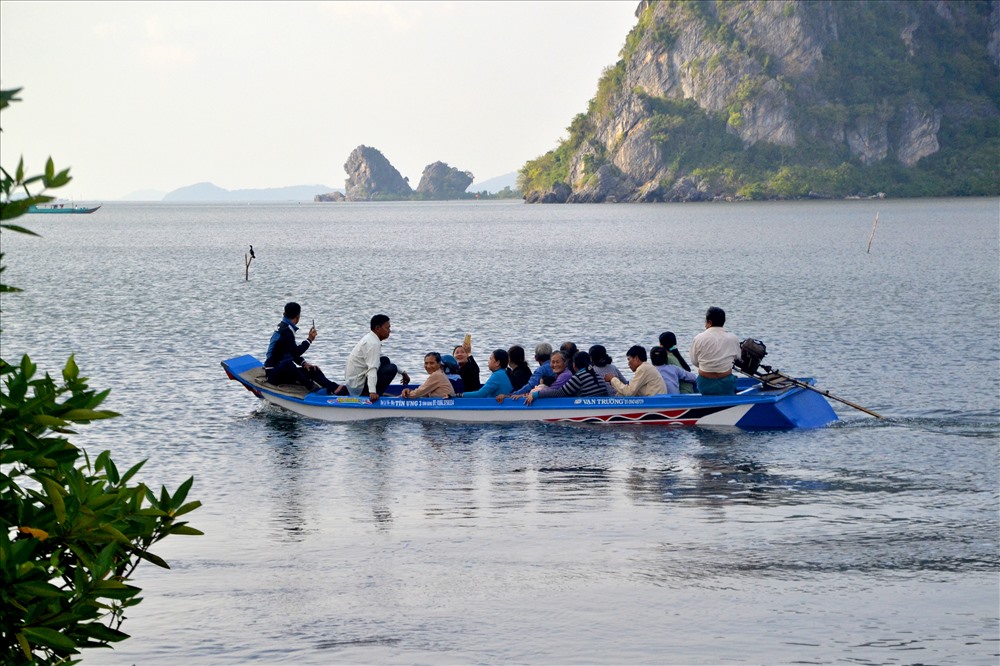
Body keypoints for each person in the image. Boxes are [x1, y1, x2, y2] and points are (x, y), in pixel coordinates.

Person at [264, 302, 346, 395]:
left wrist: (304, 363)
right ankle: (312, 388)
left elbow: (290, 352)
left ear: (284, 313)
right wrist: (309, 340)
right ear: (298, 317)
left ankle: (334, 388)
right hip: (273, 375)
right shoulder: (286, 331)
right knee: (288, 364)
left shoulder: (284, 327)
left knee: (313, 369)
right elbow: (295, 353)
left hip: (281, 371)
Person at [344, 314, 410, 401]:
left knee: (385, 360)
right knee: (391, 368)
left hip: (355, 383)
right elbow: (372, 368)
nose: (389, 331)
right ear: (378, 328)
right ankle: (367, 394)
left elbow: (380, 359)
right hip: (358, 387)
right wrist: (372, 392)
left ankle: (369, 391)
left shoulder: (371, 339)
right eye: (387, 328)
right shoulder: (373, 344)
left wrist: (403, 373)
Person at [689, 306, 741, 395]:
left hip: (704, 384)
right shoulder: (733, 338)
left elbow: (695, 362)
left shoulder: (698, 338)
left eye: (706, 322)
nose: (705, 325)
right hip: (726, 383)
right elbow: (738, 358)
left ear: (709, 322)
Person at [524, 351, 609, 405]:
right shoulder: (596, 375)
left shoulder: (578, 377)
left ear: (574, 365)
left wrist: (536, 394)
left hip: (588, 406)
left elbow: (559, 393)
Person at [508, 350, 572, 401]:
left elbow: (552, 391)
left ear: (565, 362)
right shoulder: (558, 374)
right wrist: (524, 395)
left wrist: (534, 395)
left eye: (558, 362)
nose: (555, 365)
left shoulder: (565, 375)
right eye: (553, 362)